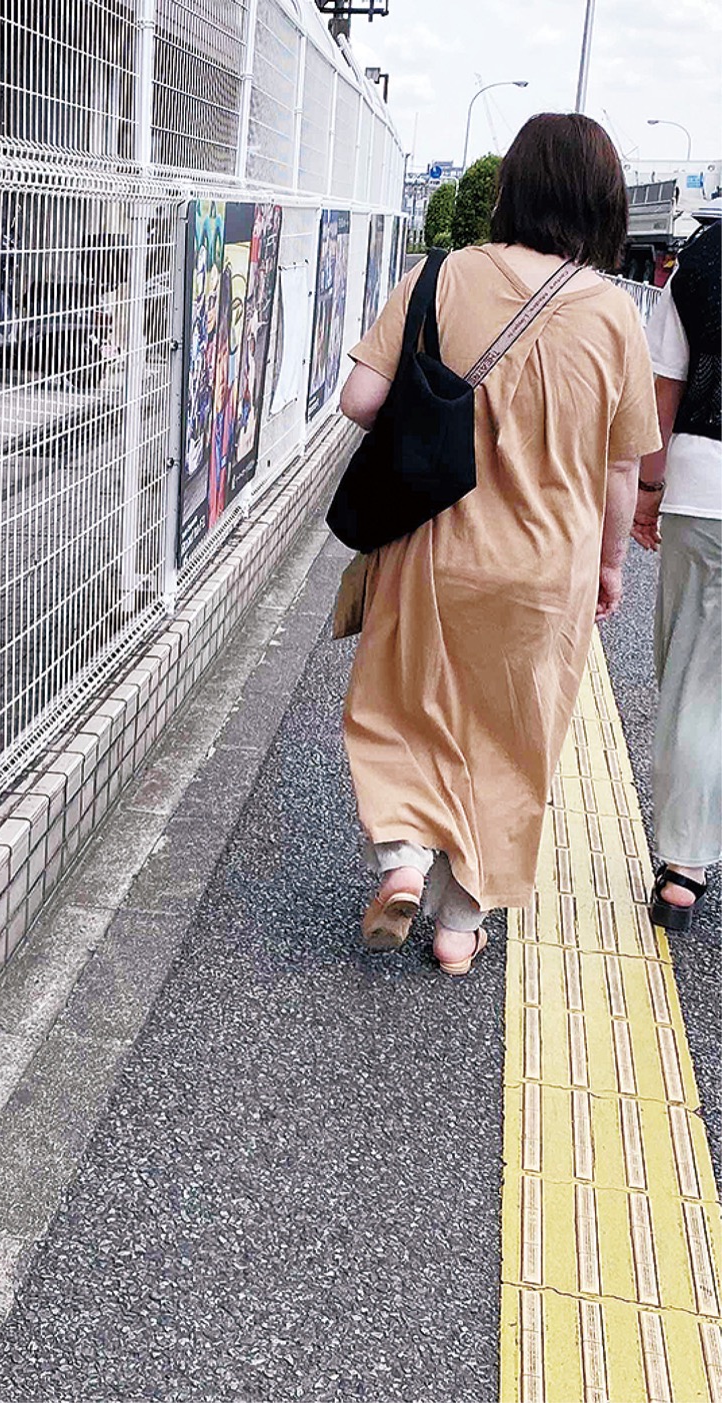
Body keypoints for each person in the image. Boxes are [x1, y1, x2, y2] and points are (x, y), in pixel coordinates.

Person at [337, 113, 661, 975]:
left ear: (513, 187)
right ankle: (456, 924)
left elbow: (359, 401)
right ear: (602, 203)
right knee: (512, 744)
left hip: (433, 553)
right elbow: (622, 468)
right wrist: (610, 563)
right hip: (547, 571)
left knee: (400, 708)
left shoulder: (440, 275)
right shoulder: (615, 313)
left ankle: (402, 856)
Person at [630, 211, 721, 931]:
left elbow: (664, 391)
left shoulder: (701, 263)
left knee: (696, 679)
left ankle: (684, 870)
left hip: (704, 489)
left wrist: (646, 492)